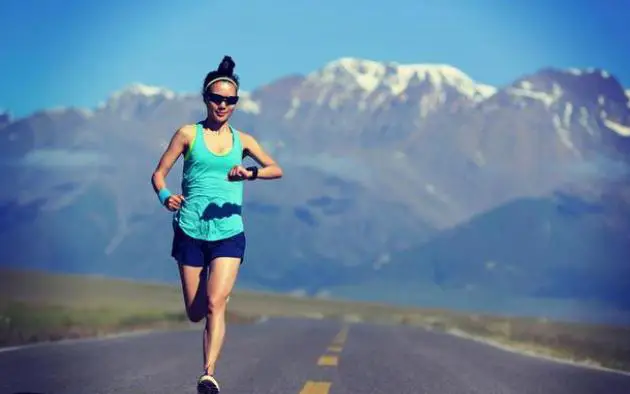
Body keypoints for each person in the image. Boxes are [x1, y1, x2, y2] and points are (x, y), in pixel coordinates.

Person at [150, 55, 283, 394]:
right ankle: (212, 300)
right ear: (206, 99)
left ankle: (208, 375)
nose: (223, 104)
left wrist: (248, 172)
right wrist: (166, 196)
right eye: (217, 98)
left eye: (230, 100)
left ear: (236, 104)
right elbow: (159, 173)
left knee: (215, 304)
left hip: (228, 232)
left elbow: (275, 168)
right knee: (196, 311)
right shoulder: (187, 134)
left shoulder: (244, 141)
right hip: (190, 230)